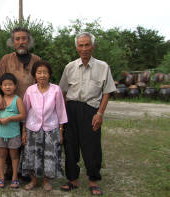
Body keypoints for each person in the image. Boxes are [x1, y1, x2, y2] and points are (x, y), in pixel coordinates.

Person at [59, 32, 116, 196]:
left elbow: (107, 92)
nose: (84, 48)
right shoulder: (69, 67)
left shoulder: (103, 67)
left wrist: (100, 114)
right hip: (71, 109)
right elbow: (62, 91)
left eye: (87, 45)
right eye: (81, 45)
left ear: (93, 46)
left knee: (92, 146)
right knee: (70, 145)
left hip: (91, 109)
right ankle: (72, 180)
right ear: (77, 47)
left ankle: (93, 180)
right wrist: (63, 114)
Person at [0, 27, 40, 180]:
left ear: (29, 41)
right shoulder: (6, 59)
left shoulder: (36, 59)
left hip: (31, 108)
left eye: (24, 39)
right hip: (10, 107)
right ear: (12, 42)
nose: (21, 42)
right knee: (10, 139)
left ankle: (26, 170)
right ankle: (9, 170)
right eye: (17, 39)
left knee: (27, 140)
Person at [19, 60, 67, 191]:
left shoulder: (56, 90)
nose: (42, 75)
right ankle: (33, 181)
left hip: (51, 129)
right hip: (32, 128)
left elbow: (61, 111)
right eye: (39, 72)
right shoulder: (30, 90)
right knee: (32, 154)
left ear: (49, 74)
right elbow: (25, 110)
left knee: (49, 155)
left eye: (45, 72)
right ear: (34, 75)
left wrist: (61, 131)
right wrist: (23, 131)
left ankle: (46, 181)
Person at [0, 73, 26, 189]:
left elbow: (23, 115)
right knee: (2, 155)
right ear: (1, 87)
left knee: (14, 156)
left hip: (14, 134)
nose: (8, 87)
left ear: (15, 86)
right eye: (5, 85)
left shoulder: (17, 100)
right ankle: (1, 177)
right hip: (0, 133)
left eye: (10, 85)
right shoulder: (0, 99)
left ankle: (15, 177)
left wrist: (10, 118)